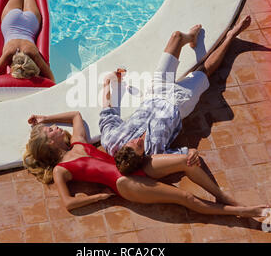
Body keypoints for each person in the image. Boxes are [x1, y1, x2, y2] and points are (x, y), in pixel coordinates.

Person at [23, 110, 271, 219]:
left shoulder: (78, 143)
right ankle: (245, 212)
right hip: (125, 183)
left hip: (131, 164)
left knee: (187, 161)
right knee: (186, 198)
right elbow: (68, 203)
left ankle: (222, 196)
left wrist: (46, 116)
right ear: (49, 144)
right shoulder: (60, 170)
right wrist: (101, 196)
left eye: (50, 127)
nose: (54, 128)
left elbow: (75, 115)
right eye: (49, 130)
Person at [99, 16, 252, 174]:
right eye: (139, 146)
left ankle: (190, 37)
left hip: (156, 91)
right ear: (142, 157)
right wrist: (192, 153)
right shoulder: (155, 155)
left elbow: (106, 114)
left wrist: (107, 83)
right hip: (179, 103)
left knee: (177, 37)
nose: (138, 140)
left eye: (131, 142)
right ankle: (232, 36)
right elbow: (184, 155)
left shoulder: (112, 141)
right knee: (204, 71)